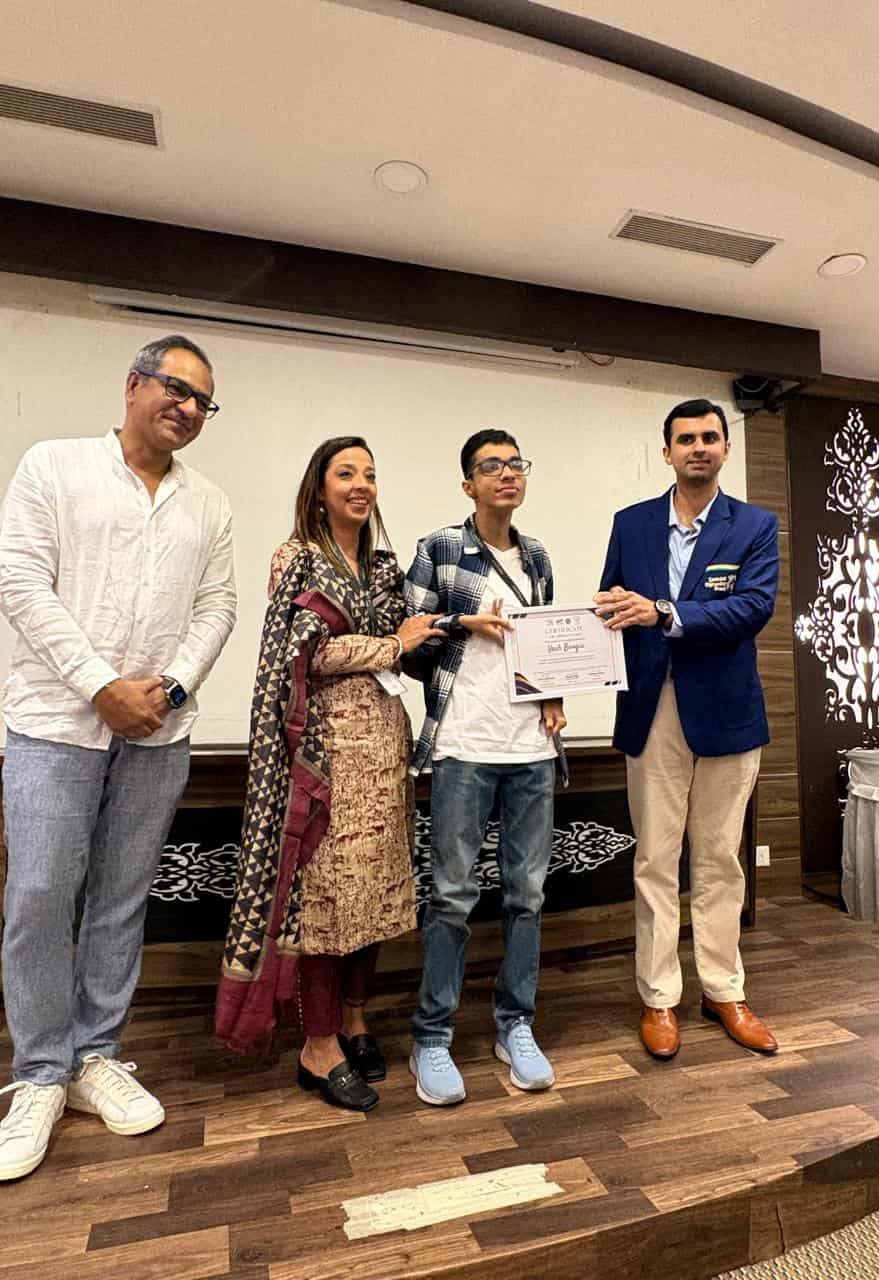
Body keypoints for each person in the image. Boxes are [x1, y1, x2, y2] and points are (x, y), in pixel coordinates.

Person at [0, 335, 236, 1180]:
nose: (188, 407)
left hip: (158, 733)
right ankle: (39, 1073)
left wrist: (168, 688)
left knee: (120, 898)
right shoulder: (54, 466)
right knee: (38, 894)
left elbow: (217, 607)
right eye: (176, 387)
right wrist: (100, 685)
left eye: (202, 400)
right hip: (52, 724)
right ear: (134, 385)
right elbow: (20, 583)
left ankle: (96, 1056)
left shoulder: (209, 504)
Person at [216, 437, 440, 1113]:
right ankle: (317, 1045)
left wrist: (438, 629)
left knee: (373, 898)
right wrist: (392, 644)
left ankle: (354, 1019)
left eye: (370, 474)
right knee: (327, 904)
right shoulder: (297, 558)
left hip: (385, 749)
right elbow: (303, 652)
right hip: (324, 757)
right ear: (320, 488)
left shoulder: (382, 564)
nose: (361, 484)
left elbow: (413, 646)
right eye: (347, 473)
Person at [594, 398, 779, 1061]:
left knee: (720, 859)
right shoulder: (631, 524)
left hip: (728, 712)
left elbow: (752, 608)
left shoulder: (755, 525)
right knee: (654, 859)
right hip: (651, 709)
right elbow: (611, 607)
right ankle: (659, 997)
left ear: (725, 448)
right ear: (666, 451)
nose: (698, 447)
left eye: (709, 437)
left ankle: (724, 990)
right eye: (685, 438)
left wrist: (665, 611)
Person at [404, 429, 566, 1106]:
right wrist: (461, 622)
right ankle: (432, 1036)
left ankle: (515, 1024)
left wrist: (554, 691)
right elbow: (407, 644)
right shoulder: (441, 548)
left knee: (527, 895)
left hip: (531, 749)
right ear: (468, 484)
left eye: (515, 463)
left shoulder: (538, 556)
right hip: (464, 745)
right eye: (491, 466)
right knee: (452, 895)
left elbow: (547, 645)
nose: (507, 474)